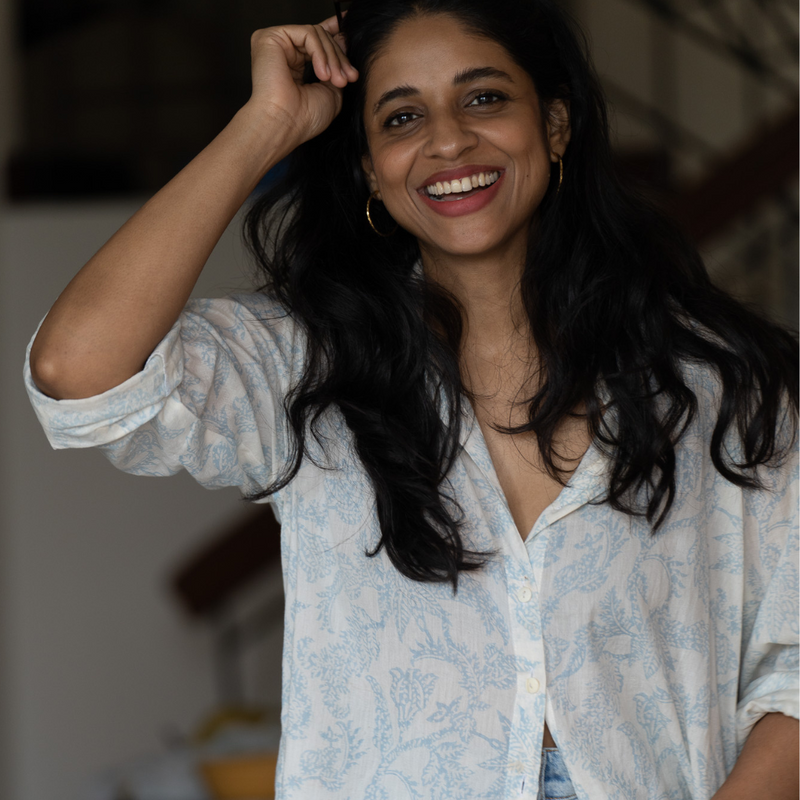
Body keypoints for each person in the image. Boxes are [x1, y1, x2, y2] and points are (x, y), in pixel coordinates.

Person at [24, 0, 798, 798]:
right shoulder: (306, 367)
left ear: (557, 124)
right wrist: (263, 124)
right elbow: (79, 371)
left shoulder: (716, 383)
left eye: (485, 97)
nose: (449, 140)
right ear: (367, 167)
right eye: (400, 117)